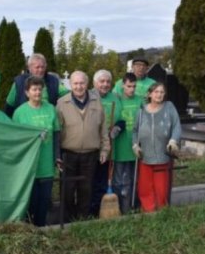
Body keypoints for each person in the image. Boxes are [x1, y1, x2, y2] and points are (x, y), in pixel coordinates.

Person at [57, 71, 109, 221]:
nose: (79, 87)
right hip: (68, 154)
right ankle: (66, 222)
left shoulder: (96, 101)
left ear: (87, 84)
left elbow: (103, 128)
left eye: (82, 83)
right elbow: (57, 130)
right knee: (67, 190)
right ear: (70, 84)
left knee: (86, 190)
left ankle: (82, 222)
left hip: (90, 154)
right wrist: (57, 155)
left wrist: (105, 149)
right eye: (75, 83)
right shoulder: (62, 103)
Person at [12, 76, 60, 226]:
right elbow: (16, 139)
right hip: (30, 165)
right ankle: (29, 227)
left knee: (45, 200)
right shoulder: (20, 112)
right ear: (27, 92)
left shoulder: (50, 109)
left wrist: (57, 156)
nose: (38, 92)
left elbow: (57, 134)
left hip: (46, 164)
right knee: (31, 199)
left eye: (40, 89)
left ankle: (42, 226)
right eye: (34, 89)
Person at [132, 82, 181, 212]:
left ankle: (162, 211)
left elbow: (176, 126)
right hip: (145, 155)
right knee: (145, 187)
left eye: (161, 92)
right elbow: (135, 130)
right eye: (156, 92)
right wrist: (135, 145)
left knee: (161, 187)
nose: (159, 95)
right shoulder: (141, 111)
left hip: (163, 155)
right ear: (150, 94)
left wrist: (173, 140)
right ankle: (148, 211)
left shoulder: (169, 107)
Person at [89, 69, 124, 216]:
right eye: (102, 81)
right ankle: (89, 210)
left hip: (108, 145)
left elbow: (122, 119)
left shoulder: (115, 98)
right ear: (95, 83)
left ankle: (100, 210)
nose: (105, 84)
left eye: (108, 81)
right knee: (91, 179)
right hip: (91, 145)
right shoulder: (89, 96)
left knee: (102, 179)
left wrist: (117, 128)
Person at [113, 73, 143, 213]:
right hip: (121, 147)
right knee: (120, 181)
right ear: (122, 85)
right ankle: (120, 208)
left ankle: (133, 206)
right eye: (129, 86)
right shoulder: (117, 100)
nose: (132, 89)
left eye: (134, 86)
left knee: (134, 179)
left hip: (135, 146)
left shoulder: (140, 101)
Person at [4, 53, 69, 117]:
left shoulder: (53, 81)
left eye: (43, 67)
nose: (40, 70)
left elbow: (67, 94)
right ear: (30, 68)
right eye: (37, 67)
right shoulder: (19, 82)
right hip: (25, 120)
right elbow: (9, 106)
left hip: (47, 119)